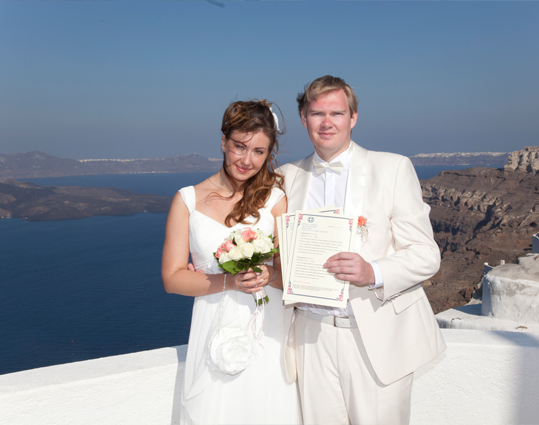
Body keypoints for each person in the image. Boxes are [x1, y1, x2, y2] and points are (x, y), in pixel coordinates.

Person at [279, 76, 446, 424]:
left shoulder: (393, 168)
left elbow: (427, 254)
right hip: (311, 338)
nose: (327, 123)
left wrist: (374, 272)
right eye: (316, 114)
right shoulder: (285, 177)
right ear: (303, 118)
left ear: (353, 118)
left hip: (377, 337)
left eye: (337, 113)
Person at [162, 100, 301, 425]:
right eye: (240, 147)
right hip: (213, 326)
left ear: (269, 153)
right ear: (224, 142)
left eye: (259, 152)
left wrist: (268, 274)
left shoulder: (275, 201)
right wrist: (228, 281)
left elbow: (291, 274)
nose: (247, 160)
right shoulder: (187, 201)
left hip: (266, 331)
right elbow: (172, 278)